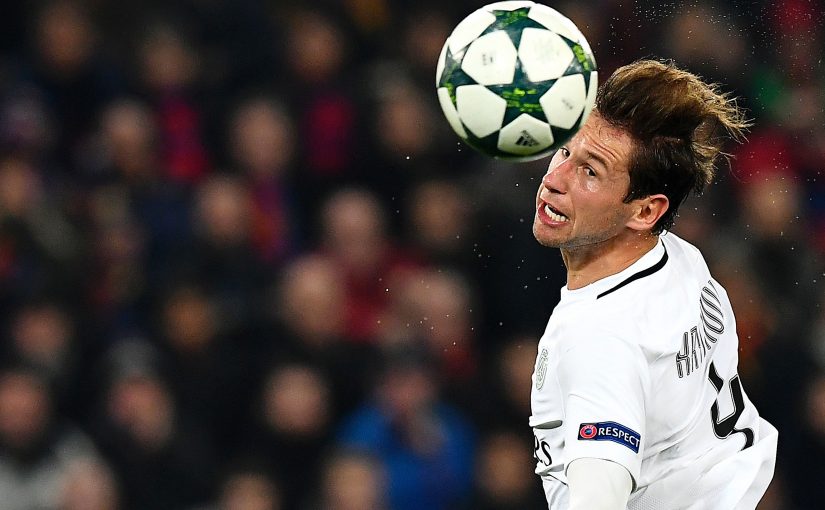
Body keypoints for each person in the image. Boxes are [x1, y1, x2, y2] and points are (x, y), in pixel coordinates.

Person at [529, 59, 778, 510]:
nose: (554, 179)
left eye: (590, 171)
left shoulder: (598, 341)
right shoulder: (681, 259)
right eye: (565, 152)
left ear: (645, 211)